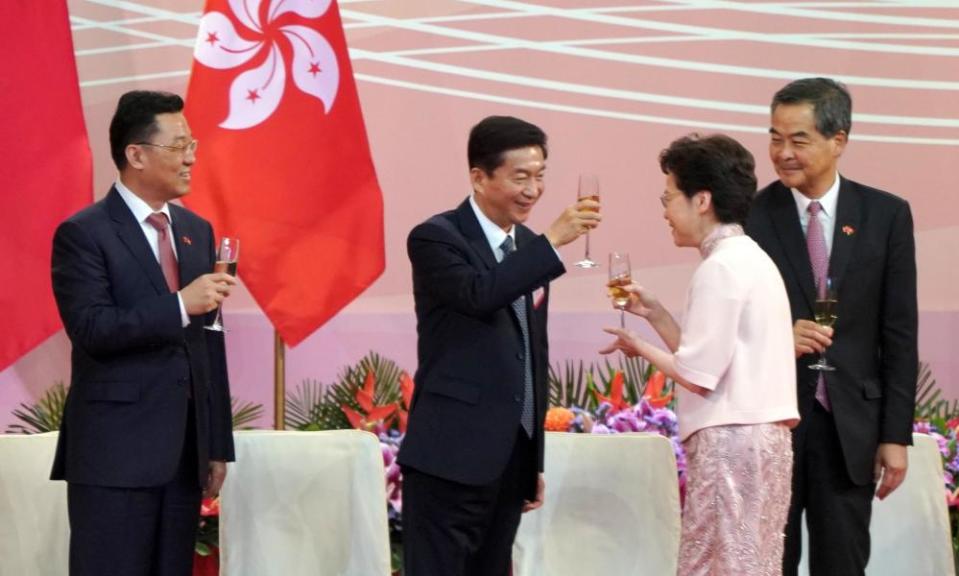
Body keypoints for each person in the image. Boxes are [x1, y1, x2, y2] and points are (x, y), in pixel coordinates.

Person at [398, 115, 600, 576]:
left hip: (509, 462)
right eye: (520, 177)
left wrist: (534, 461)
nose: (533, 189)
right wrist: (551, 242)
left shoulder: (528, 246)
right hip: (449, 458)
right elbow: (479, 295)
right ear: (479, 176)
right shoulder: (436, 237)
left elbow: (532, 353)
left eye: (541, 175)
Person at [50, 90, 236, 576]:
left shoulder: (197, 230)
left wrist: (216, 445)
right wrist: (178, 305)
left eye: (192, 143)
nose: (191, 157)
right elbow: (91, 327)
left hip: (182, 457)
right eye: (178, 146)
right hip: (114, 455)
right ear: (136, 154)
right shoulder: (85, 232)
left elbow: (209, 339)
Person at [601, 134, 799, 575]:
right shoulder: (751, 258)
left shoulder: (721, 267)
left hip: (730, 442)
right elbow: (708, 355)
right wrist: (655, 313)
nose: (664, 209)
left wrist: (639, 345)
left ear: (702, 200)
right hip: (763, 439)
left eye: (669, 196)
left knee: (714, 565)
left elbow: (697, 373)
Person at [746, 77, 918, 575]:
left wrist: (895, 435)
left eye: (798, 139)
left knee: (842, 563)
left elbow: (899, 333)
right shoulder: (752, 214)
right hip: (775, 421)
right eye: (775, 137)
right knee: (770, 561)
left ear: (838, 140)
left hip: (851, 429)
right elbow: (730, 321)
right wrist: (779, 336)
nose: (782, 152)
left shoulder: (886, 214)